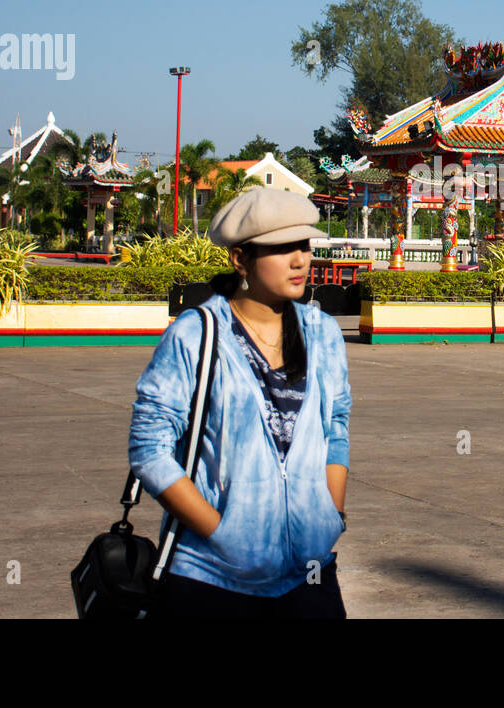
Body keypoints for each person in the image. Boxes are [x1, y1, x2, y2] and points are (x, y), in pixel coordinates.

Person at [129, 187, 351, 617]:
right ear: (240, 258)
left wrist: (331, 515)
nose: (300, 259)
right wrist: (222, 532)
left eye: (303, 244)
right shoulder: (196, 335)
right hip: (213, 580)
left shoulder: (323, 333)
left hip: (309, 576)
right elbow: (149, 450)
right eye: (281, 248)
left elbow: (335, 425)